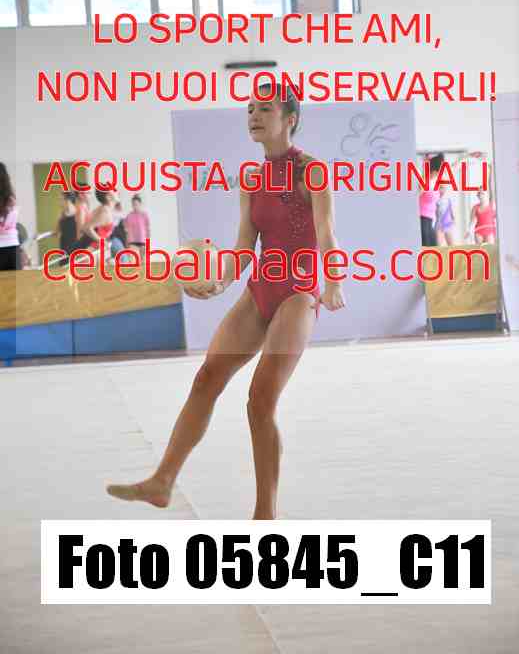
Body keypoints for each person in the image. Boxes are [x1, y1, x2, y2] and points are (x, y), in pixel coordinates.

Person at [106, 83, 346, 519]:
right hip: (261, 289)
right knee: (206, 378)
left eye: (265, 109)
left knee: (260, 401)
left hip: (298, 293)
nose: (254, 116)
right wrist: (218, 283)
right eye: (250, 109)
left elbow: (325, 231)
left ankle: (264, 515)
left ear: (290, 118)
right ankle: (162, 481)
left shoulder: (312, 170)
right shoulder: (251, 179)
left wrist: (333, 282)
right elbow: (243, 248)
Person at [419, 153, 443, 246]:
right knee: (427, 250)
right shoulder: (425, 181)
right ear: (435, 170)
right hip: (422, 220)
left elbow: (454, 167)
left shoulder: (435, 182)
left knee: (434, 249)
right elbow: (413, 198)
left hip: (430, 220)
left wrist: (467, 156)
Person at [0, 162, 20, 271]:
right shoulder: (11, 200)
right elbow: (11, 224)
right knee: (14, 281)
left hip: (9, 246)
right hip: (12, 247)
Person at [124, 194, 150, 259]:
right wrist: (126, 240)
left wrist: (148, 239)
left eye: (136, 204)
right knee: (131, 259)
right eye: (133, 204)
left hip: (142, 240)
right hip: (132, 240)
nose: (134, 206)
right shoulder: (129, 215)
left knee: (143, 259)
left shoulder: (144, 215)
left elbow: (147, 228)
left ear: (140, 204)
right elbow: (126, 229)